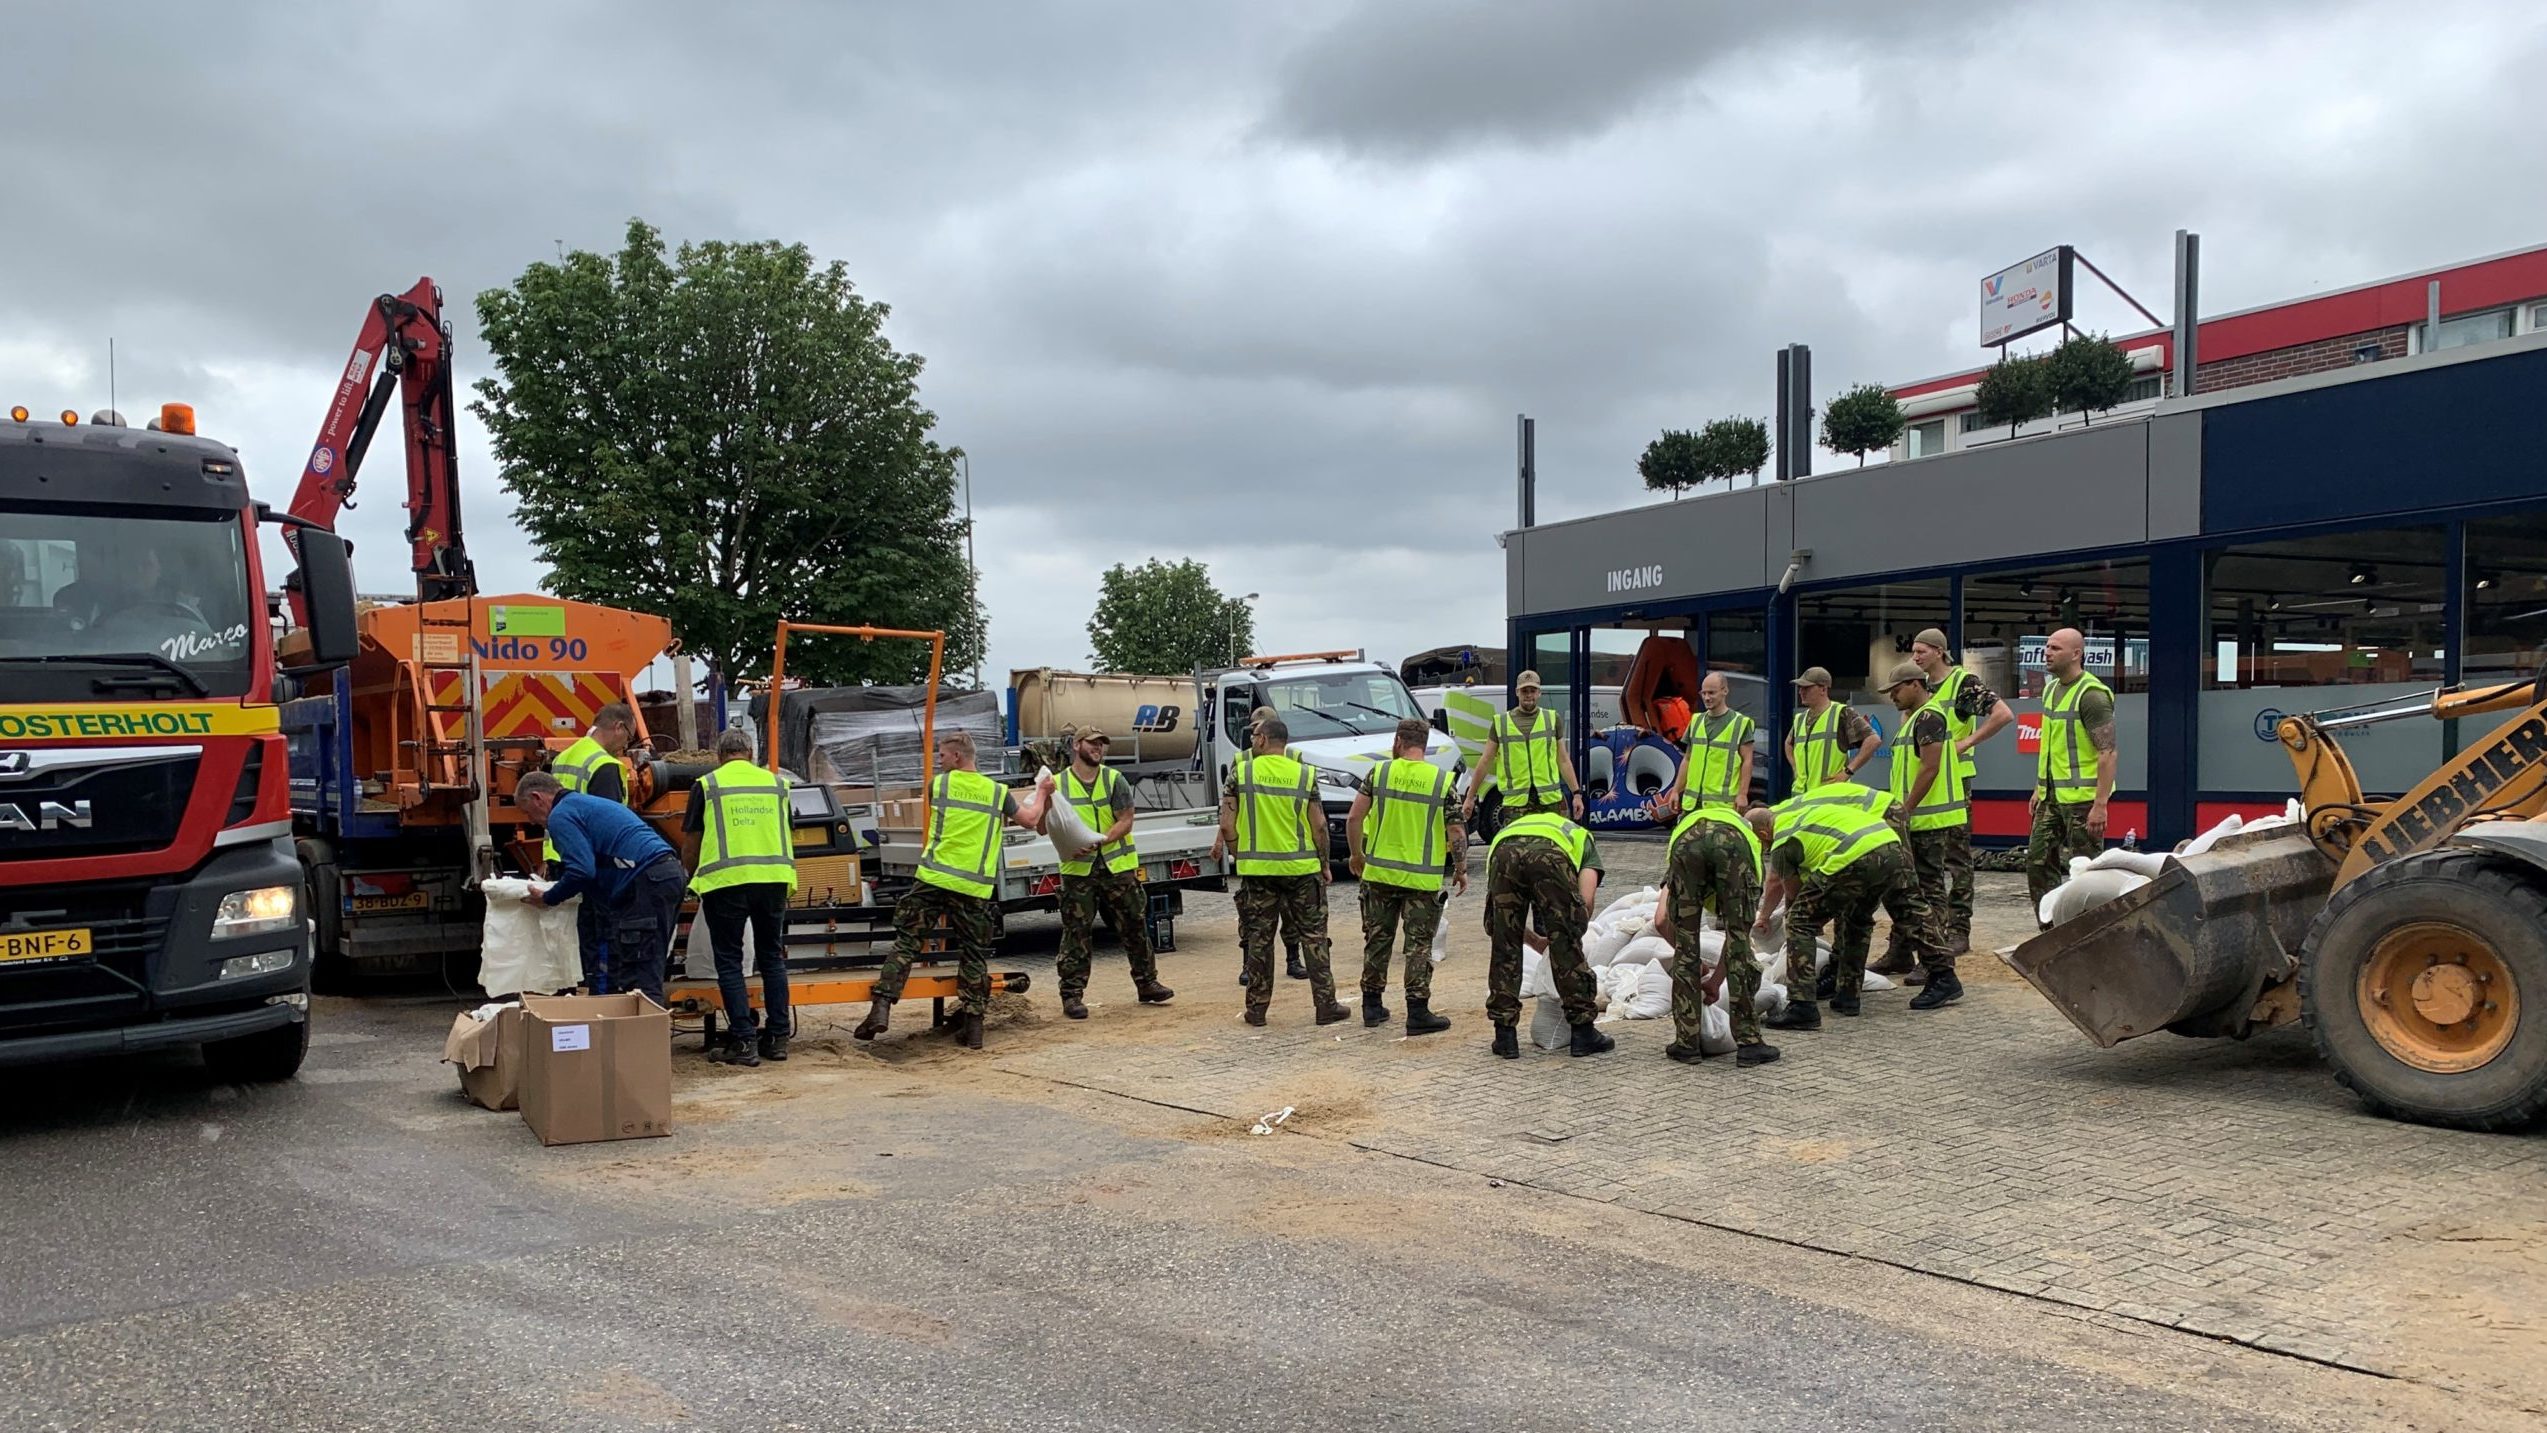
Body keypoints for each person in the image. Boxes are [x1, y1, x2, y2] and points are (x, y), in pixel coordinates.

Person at [856, 729, 1033, 1050]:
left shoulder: (938, 785)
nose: (938, 760)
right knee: (974, 953)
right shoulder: (997, 793)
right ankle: (975, 1027)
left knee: (907, 942)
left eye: (941, 754)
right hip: (973, 885)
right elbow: (1031, 820)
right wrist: (1045, 791)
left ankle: (881, 1007)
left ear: (957, 756)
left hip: (933, 878)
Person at [1213, 717, 1348, 1027]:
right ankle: (1326, 1006)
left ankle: (1256, 1011)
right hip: (1302, 871)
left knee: (1259, 940)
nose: (1251, 740)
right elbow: (1319, 826)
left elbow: (1226, 824)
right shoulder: (1304, 775)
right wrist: (1325, 864)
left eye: (1254, 735)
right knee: (1314, 938)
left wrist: (1237, 852)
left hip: (1259, 873)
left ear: (1263, 740)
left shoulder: (1242, 774)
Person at [1756, 783, 1925, 1031]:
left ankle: (1802, 1006)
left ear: (1762, 834)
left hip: (1856, 854)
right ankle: (1848, 996)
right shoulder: (1796, 813)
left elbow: (1792, 892)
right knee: (1857, 918)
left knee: (1799, 921)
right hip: (1889, 844)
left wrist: (1768, 916)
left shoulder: (1782, 837)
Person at [514, 772, 684, 1008]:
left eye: (527, 812)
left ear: (537, 798)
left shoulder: (560, 816)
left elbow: (581, 871)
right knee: (647, 966)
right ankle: (644, 1037)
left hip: (645, 882)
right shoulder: (584, 805)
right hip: (665, 874)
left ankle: (645, 1041)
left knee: (639, 976)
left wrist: (549, 897)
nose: (531, 821)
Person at [682, 728, 796, 1066]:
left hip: (727, 883)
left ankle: (744, 1042)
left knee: (729, 961)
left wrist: (690, 878)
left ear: (719, 755)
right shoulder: (778, 785)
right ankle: (777, 1039)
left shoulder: (707, 785)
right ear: (751, 753)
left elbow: (692, 842)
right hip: (773, 880)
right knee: (771, 957)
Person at [1346, 717, 1466, 1037]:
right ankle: (1417, 1012)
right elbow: (1456, 830)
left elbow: (1355, 817)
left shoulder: (1380, 773)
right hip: (1421, 882)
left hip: (1380, 876)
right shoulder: (1441, 781)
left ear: (1399, 741)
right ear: (1423, 745)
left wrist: (1357, 855)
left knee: (1377, 940)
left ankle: (1372, 1006)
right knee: (1418, 947)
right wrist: (1460, 868)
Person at [1048, 727, 1173, 1019]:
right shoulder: (1058, 784)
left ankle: (1147, 983)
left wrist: (1100, 840)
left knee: (1134, 924)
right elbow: (1046, 824)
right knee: (1076, 932)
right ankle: (1072, 996)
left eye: (1102, 744)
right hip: (1078, 871)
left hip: (1117, 866)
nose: (1099, 749)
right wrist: (1070, 842)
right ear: (1077, 745)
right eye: (1093, 743)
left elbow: (1126, 820)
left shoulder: (1113, 779)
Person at [1651, 801, 1780, 1067]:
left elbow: (1662, 919)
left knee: (1687, 944)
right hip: (1731, 846)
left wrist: (1705, 974)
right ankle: (1749, 1043)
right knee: (1739, 940)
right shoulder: (1747, 840)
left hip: (1685, 846)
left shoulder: (1687, 829)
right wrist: (1718, 979)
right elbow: (1739, 939)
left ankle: (1686, 1044)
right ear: (1761, 835)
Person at [1909, 627, 2011, 960]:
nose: (1915, 657)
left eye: (1921, 651)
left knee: (1956, 857)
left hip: (1954, 783)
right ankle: (1927, 929)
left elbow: (2003, 714)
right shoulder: (1919, 687)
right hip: (1926, 781)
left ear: (1939, 651)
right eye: (1913, 651)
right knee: (1924, 859)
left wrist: (1966, 742)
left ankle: (1958, 930)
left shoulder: (1961, 683)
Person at [1870, 662, 1963, 1009]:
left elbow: (1931, 766)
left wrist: (1905, 809)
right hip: (1919, 821)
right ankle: (1902, 953)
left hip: (1929, 821)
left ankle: (1935, 963)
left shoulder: (1928, 718)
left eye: (1896, 689)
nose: (1892, 696)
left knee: (1929, 892)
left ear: (1913, 684)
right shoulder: (1914, 720)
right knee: (1908, 891)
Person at [1482, 811, 1611, 1060]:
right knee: (1567, 943)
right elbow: (1585, 901)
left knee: (1503, 945)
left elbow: (1500, 924)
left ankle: (1504, 1036)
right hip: (1550, 857)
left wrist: (1535, 941)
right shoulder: (1580, 837)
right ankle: (1583, 1032)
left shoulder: (1509, 831)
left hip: (1503, 854)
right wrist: (1564, 937)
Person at [548, 703, 643, 991]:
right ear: (618, 727)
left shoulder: (564, 757)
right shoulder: (604, 765)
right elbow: (609, 826)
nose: (626, 745)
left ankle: (568, 998)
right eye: (628, 737)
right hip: (592, 867)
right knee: (600, 939)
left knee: (567, 939)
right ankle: (600, 1001)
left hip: (560, 858)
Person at [2030, 627, 2118, 928]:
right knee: (2038, 863)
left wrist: (2100, 805)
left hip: (2084, 802)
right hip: (2051, 797)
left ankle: (2087, 932)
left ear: (2076, 654)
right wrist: (2038, 788)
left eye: (2055, 648)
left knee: (2087, 872)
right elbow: (2051, 747)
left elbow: (2107, 753)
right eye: (2047, 647)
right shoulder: (2051, 690)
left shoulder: (2091, 695)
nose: (2047, 652)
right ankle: (2050, 929)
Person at [1462, 670, 1582, 827]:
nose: (1529, 695)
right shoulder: (1501, 723)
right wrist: (1470, 797)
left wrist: (1576, 794)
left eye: (1533, 691)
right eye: (1525, 691)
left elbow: (1563, 760)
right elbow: (1485, 761)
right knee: (1518, 849)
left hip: (1549, 801)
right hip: (1516, 804)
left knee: (1550, 849)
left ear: (1539, 693)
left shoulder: (1552, 719)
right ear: (1517, 692)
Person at [1653, 670, 1755, 818]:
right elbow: (1687, 759)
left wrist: (1742, 794)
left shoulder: (1740, 724)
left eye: (1711, 693)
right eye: (1704, 693)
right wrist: (1676, 791)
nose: (1707, 698)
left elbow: (1747, 761)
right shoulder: (1696, 722)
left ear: (1724, 691)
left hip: (1722, 807)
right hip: (1693, 805)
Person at [1785, 666, 1878, 796]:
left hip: (1828, 798)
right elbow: (1788, 743)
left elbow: (1873, 740)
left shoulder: (1841, 713)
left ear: (1823, 689)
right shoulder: (1800, 719)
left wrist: (1848, 772)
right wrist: (1795, 767)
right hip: (1800, 798)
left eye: (1806, 688)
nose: (1801, 692)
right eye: (1800, 688)